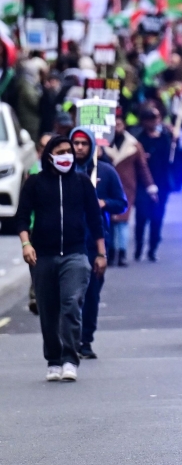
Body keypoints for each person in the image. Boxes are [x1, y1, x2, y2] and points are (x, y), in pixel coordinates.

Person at [16, 135, 106, 382]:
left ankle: (70, 359)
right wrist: (26, 244)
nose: (66, 155)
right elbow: (21, 217)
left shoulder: (82, 182)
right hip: (43, 256)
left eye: (69, 151)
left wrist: (101, 253)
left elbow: (95, 220)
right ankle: (54, 360)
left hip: (75, 254)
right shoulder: (35, 183)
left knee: (71, 303)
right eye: (60, 152)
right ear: (49, 156)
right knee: (48, 311)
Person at [70, 127, 128, 359]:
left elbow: (121, 203)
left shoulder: (106, 172)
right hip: (68, 242)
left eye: (84, 144)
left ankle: (86, 340)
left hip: (96, 242)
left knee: (91, 293)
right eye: (76, 143)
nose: (79, 148)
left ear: (92, 146)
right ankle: (69, 339)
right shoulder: (63, 173)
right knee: (69, 295)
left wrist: (104, 203)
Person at [102, 113, 157, 267]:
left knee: (123, 221)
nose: (117, 127)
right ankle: (111, 252)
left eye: (119, 124)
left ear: (124, 125)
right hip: (107, 186)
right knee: (109, 220)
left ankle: (122, 252)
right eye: (114, 125)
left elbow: (143, 167)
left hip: (126, 187)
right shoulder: (102, 145)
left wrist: (150, 187)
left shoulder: (134, 145)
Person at [134, 107, 173, 261]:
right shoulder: (139, 139)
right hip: (143, 183)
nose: (153, 122)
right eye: (150, 119)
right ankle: (138, 248)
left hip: (161, 183)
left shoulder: (165, 138)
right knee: (141, 216)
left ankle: (152, 249)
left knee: (157, 217)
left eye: (155, 118)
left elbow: (172, 158)